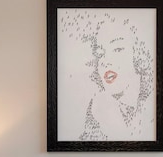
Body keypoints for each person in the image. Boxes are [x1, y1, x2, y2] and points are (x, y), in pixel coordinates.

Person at [58, 9, 155, 141]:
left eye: (118, 49)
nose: (105, 61)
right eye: (100, 54)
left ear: (139, 54)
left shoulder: (153, 109)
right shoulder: (96, 111)